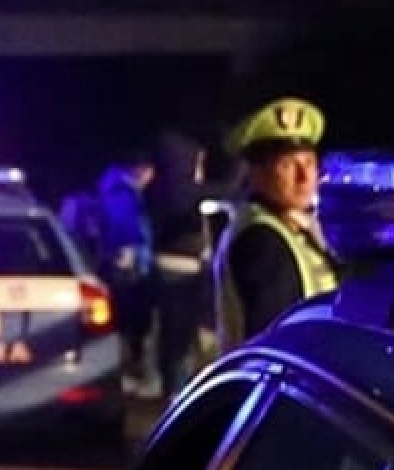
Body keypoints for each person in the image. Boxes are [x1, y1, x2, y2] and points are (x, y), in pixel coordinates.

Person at [212, 97, 341, 352]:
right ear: (256, 174)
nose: (303, 177)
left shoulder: (295, 226)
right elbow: (279, 337)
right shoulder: (262, 240)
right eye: (287, 165)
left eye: (309, 163)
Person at [146, 128, 232, 396]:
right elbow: (216, 191)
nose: (201, 169)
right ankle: (175, 390)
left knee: (180, 335)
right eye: (198, 162)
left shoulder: (169, 188)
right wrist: (242, 168)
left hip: (184, 268)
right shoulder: (176, 191)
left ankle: (176, 385)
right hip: (178, 271)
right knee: (178, 337)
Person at [91, 149, 157, 391]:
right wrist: (133, 256)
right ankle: (127, 372)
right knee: (131, 320)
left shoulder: (117, 190)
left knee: (129, 320)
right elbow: (126, 229)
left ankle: (127, 371)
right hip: (128, 265)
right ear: (142, 170)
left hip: (125, 262)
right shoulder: (123, 194)